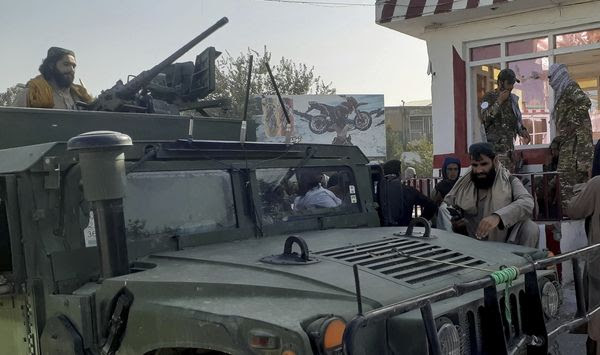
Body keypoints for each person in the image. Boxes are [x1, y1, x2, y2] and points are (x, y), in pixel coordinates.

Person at [443, 143, 539, 247]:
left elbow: (527, 202)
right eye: (475, 165)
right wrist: (458, 225)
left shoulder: (509, 181)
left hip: (505, 243)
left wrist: (498, 217)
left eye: (484, 164)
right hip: (473, 243)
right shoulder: (465, 184)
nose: (479, 170)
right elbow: (449, 205)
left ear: (494, 161)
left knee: (530, 228)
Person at [568, 145, 600, 355]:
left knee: (596, 321)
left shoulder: (597, 184)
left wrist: (585, 185)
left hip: (599, 266)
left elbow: (574, 209)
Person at [549, 63, 594, 213]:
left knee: (568, 178)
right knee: (567, 179)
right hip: (569, 143)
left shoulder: (569, 87)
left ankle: (573, 214)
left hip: (577, 145)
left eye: (551, 77)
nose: (549, 82)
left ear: (558, 75)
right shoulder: (562, 92)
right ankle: (573, 214)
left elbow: (585, 102)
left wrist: (571, 124)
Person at [480, 68, 531, 172]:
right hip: (495, 151)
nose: (511, 87)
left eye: (513, 84)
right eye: (509, 84)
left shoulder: (513, 100)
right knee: (498, 182)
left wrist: (522, 130)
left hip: (509, 151)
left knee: (508, 182)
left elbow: (515, 120)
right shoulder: (489, 97)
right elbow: (485, 117)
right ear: (500, 82)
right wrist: (499, 101)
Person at [14, 47, 92, 109]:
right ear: (51, 65)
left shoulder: (81, 96)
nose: (71, 69)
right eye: (66, 64)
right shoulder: (32, 94)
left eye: (73, 66)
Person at [378, 160, 437, 226]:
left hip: (381, 231)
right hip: (405, 230)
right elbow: (431, 205)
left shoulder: (377, 192)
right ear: (399, 173)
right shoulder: (408, 191)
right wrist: (418, 223)